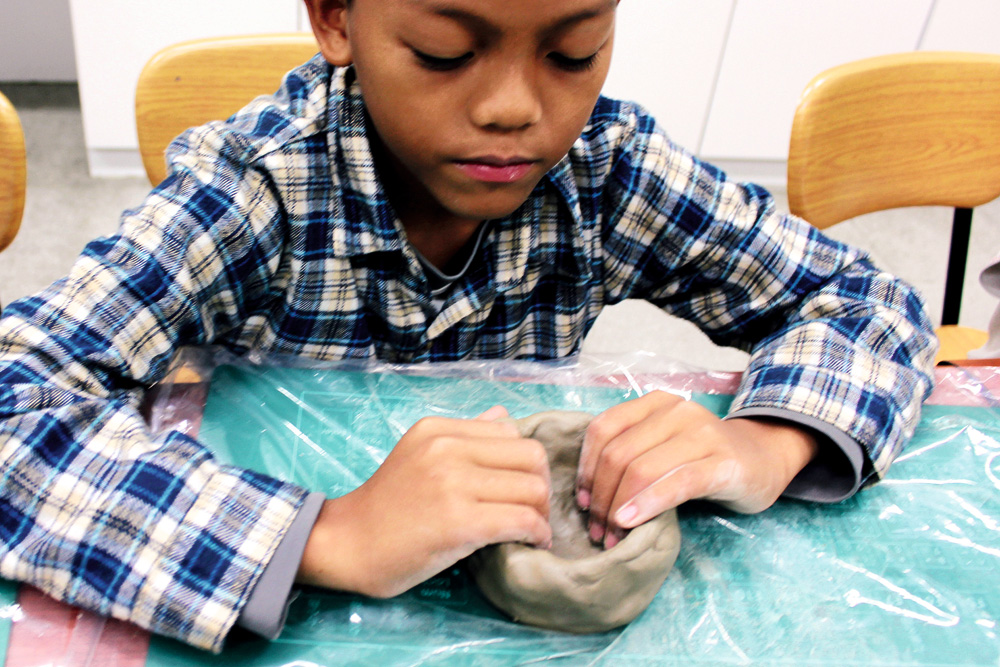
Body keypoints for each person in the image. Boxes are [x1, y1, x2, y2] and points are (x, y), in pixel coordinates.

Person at [0, 0, 936, 653]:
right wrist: (331, 534)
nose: (513, 108)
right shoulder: (257, 192)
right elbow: (17, 396)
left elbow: (864, 302)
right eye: (446, 53)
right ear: (336, 18)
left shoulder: (609, 172)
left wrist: (763, 442)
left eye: (572, 54)